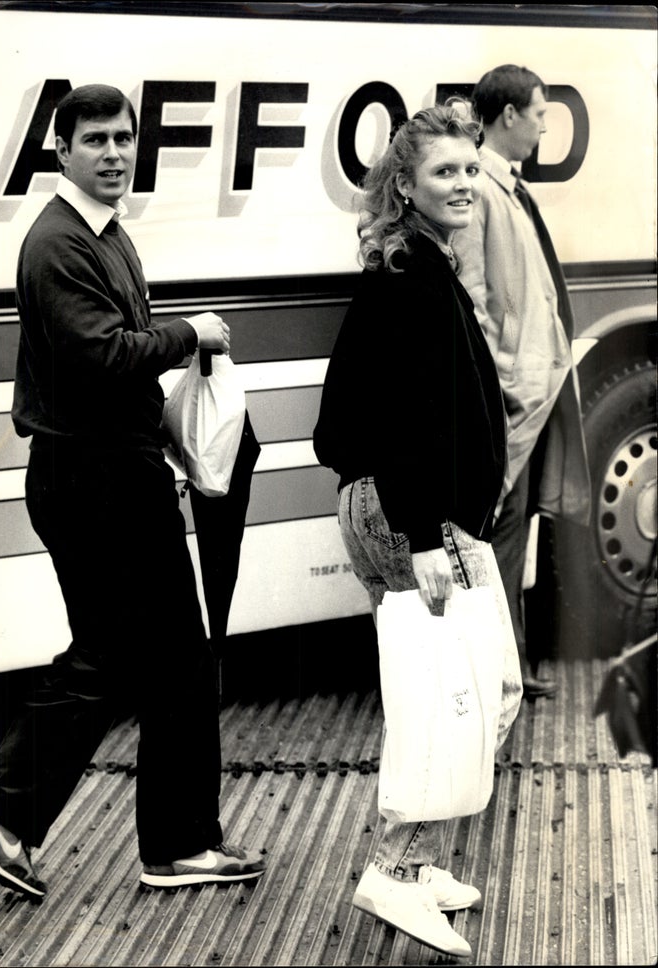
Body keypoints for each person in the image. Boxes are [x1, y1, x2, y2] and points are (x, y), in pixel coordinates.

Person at [0, 84, 265, 899]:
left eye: (124, 138)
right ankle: (24, 815)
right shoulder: (59, 244)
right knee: (143, 660)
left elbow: (109, 373)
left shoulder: (107, 236)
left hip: (111, 468)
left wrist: (170, 433)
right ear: (62, 150)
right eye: (96, 140)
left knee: (148, 661)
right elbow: (101, 355)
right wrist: (192, 333)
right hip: (93, 481)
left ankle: (119, 834)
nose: (115, 153)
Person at [312, 100, 522, 959]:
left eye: (471, 168)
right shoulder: (402, 280)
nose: (464, 183)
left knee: (490, 691)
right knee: (445, 701)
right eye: (445, 172)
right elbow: (382, 426)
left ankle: (418, 856)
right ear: (404, 185)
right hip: (410, 522)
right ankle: (393, 874)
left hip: (436, 517)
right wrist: (423, 538)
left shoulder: (426, 266)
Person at [451, 65, 591, 699]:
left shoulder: (505, 186)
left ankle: (508, 670)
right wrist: (504, 384)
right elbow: (474, 293)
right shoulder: (479, 187)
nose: (541, 126)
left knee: (514, 534)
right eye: (537, 113)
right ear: (507, 115)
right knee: (499, 534)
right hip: (513, 397)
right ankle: (495, 675)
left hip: (530, 393)